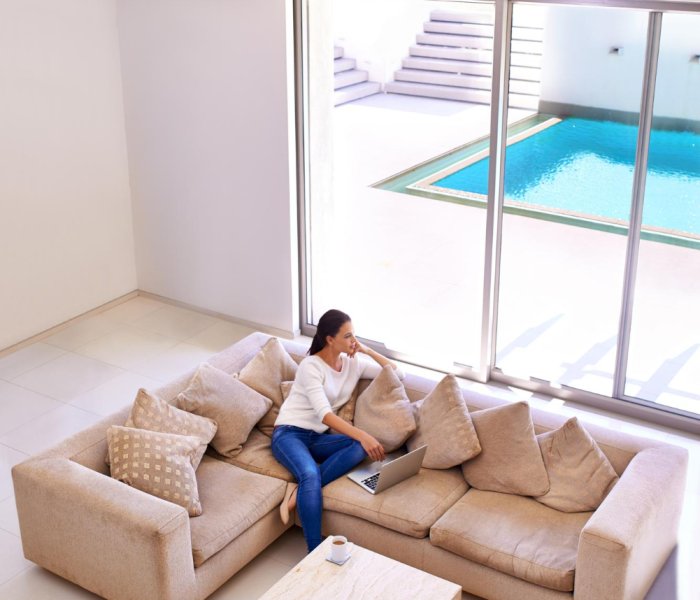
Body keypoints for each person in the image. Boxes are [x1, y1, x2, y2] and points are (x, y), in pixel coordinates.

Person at [271, 309, 404, 552]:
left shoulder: (353, 364)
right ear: (330, 339)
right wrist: (364, 434)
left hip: (316, 437)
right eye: (348, 336)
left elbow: (397, 374)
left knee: (358, 447)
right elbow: (325, 415)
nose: (353, 341)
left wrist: (366, 350)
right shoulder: (311, 366)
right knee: (311, 473)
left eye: (354, 335)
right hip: (289, 434)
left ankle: (298, 492)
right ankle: (315, 551)